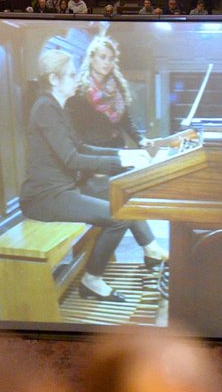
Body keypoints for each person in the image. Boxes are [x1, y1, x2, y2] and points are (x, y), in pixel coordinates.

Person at [19, 49, 135, 302]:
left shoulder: (58, 107)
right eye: (71, 75)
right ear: (54, 79)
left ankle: (93, 273)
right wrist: (119, 164)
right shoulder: (45, 109)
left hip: (63, 190)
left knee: (121, 203)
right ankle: (92, 280)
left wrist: (123, 157)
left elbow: (81, 147)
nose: (76, 79)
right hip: (45, 197)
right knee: (119, 216)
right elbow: (72, 159)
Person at [66, 36, 179, 270]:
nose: (107, 63)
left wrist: (143, 140)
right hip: (92, 166)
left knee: (130, 197)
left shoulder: (114, 86)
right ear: (91, 58)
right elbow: (74, 139)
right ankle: (150, 250)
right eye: (102, 57)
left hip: (117, 158)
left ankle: (150, 250)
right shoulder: (78, 93)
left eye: (111, 58)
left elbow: (127, 122)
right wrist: (92, 167)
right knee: (125, 203)